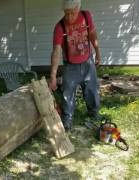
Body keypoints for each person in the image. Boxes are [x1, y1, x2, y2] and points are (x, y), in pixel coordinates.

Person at [49, 0, 102, 131]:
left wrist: (98, 52)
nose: (69, 17)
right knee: (68, 94)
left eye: (72, 13)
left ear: (78, 8)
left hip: (88, 63)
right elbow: (56, 51)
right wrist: (53, 76)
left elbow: (92, 35)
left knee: (92, 90)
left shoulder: (86, 16)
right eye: (66, 13)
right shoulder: (59, 27)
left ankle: (94, 113)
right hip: (70, 67)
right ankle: (67, 119)